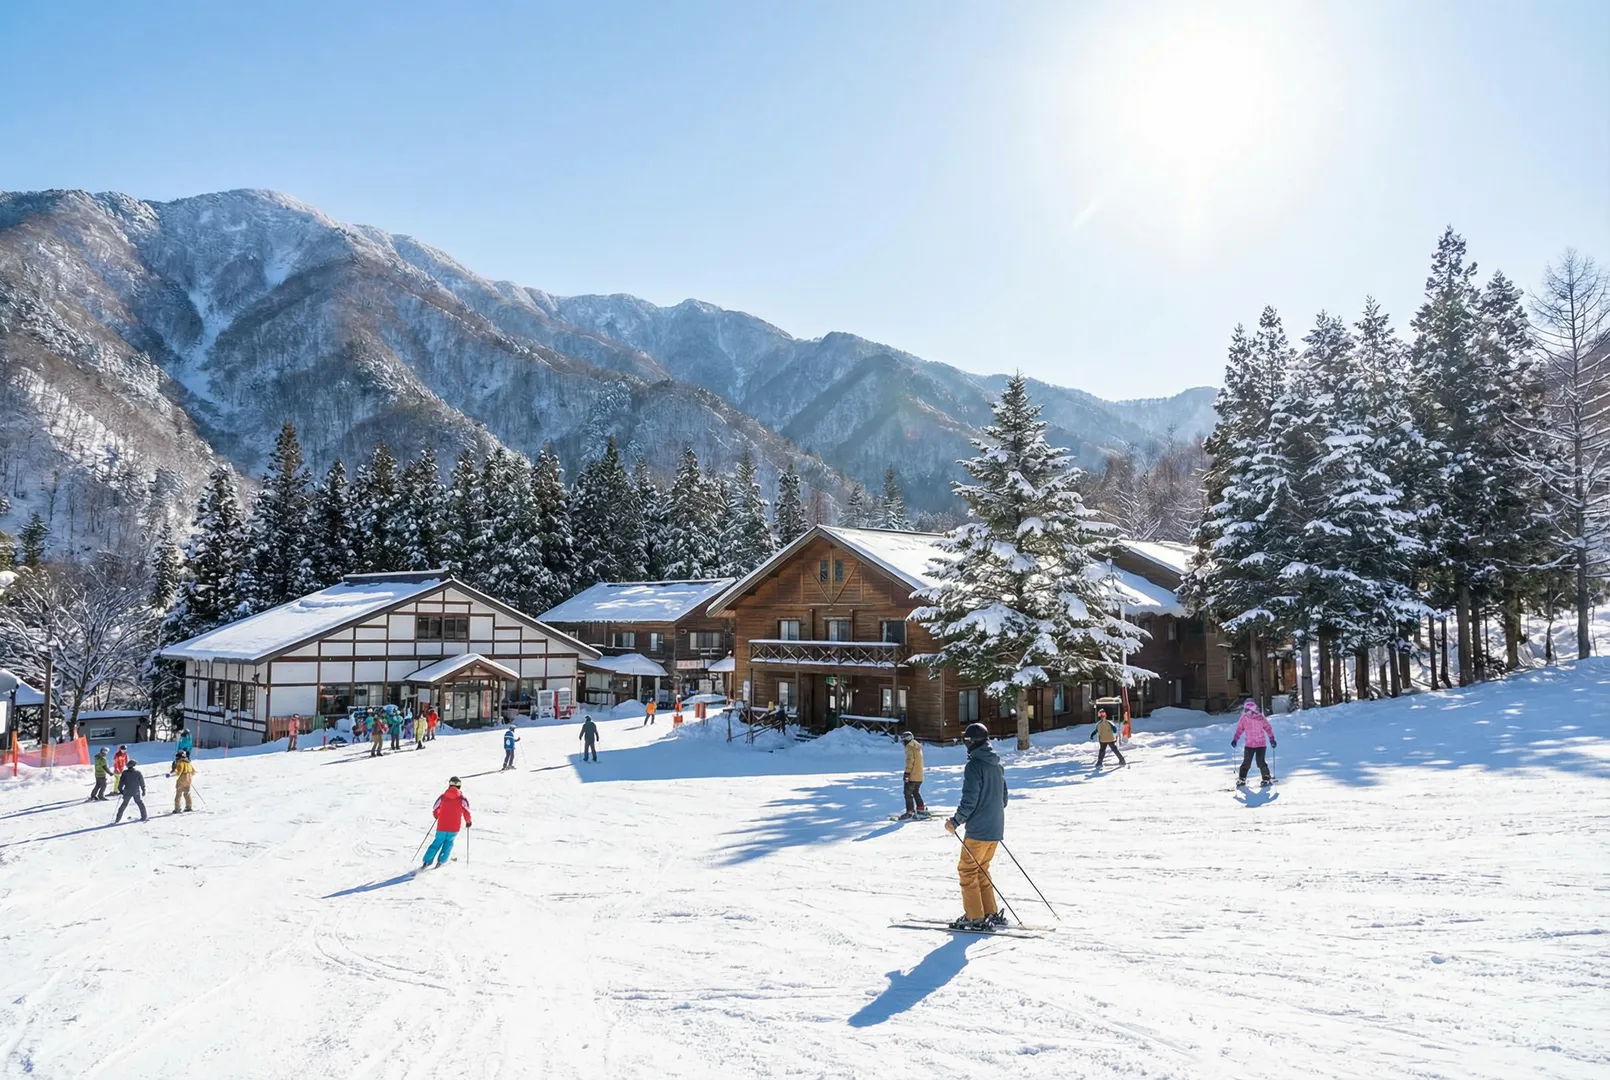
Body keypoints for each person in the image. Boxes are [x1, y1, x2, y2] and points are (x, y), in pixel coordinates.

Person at [944, 723, 1009, 931]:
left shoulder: (974, 766)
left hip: (979, 831)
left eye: (966, 741)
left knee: (967, 870)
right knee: (981, 869)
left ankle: (974, 917)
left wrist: (955, 821)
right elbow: (1004, 799)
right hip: (995, 828)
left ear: (972, 743)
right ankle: (988, 911)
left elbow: (969, 800)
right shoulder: (996, 764)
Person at [422, 777, 471, 868]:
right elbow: (467, 811)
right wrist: (468, 822)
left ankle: (427, 861)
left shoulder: (443, 797)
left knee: (437, 842)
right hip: (454, 827)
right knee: (448, 843)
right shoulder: (462, 799)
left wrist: (437, 816)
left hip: (442, 826)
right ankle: (441, 861)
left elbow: (435, 808)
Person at [1231, 700, 1276, 788]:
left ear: (1253, 710)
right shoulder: (1244, 719)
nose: (1246, 712)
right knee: (1246, 762)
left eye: (1247, 710)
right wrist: (1235, 739)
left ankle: (1266, 778)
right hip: (1249, 745)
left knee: (1260, 762)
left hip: (1261, 745)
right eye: (1245, 710)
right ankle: (1242, 779)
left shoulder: (1260, 718)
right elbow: (1239, 730)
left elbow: (1268, 728)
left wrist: (1272, 739)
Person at [899, 731, 927, 819]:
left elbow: (909, 761)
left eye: (903, 740)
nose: (902, 743)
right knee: (915, 792)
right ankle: (920, 809)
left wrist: (907, 773)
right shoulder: (917, 746)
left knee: (907, 793)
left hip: (912, 776)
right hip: (919, 776)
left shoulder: (909, 747)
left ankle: (909, 812)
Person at [114, 758, 148, 823]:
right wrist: (143, 790)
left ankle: (117, 819)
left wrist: (120, 790)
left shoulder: (125, 773)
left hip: (127, 791)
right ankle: (144, 816)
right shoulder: (138, 773)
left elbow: (121, 782)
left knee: (124, 804)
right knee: (140, 803)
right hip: (136, 791)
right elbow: (142, 782)